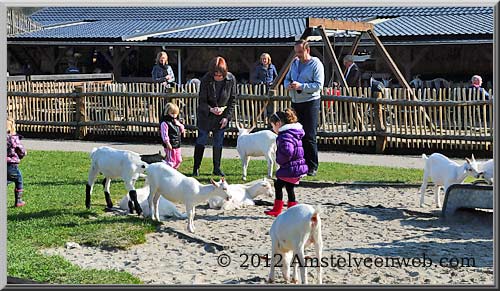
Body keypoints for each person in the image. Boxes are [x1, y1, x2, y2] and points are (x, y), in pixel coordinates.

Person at [284, 39, 324, 176]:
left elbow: (318, 85)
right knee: (296, 135)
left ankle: (312, 166)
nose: (298, 55)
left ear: (308, 50)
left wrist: (301, 86)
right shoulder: (294, 63)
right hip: (296, 102)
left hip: (310, 102)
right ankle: (299, 163)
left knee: (309, 135)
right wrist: (287, 85)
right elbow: (287, 79)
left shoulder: (316, 64)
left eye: (300, 52)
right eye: (296, 52)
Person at [192, 56, 237, 177]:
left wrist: (226, 117)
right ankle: (196, 167)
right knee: (201, 140)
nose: (218, 77)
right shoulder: (206, 80)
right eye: (216, 75)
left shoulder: (231, 79)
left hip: (221, 118)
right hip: (206, 116)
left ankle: (216, 168)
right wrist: (211, 109)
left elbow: (232, 100)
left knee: (218, 142)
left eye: (220, 75)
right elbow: (201, 101)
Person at [264, 108, 308, 217]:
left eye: (273, 126)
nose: (273, 129)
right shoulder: (294, 132)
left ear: (278, 124)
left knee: (278, 185)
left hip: (290, 167)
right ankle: (291, 209)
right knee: (289, 187)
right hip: (296, 166)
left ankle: (277, 209)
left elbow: (288, 151)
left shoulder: (284, 135)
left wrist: (280, 160)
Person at [7, 117, 27, 207]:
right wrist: (22, 155)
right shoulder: (13, 138)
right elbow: (21, 150)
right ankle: (18, 201)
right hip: (12, 165)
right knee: (19, 180)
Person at [160, 102, 185, 170]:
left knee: (179, 160)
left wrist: (179, 125)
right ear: (167, 112)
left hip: (177, 144)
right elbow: (164, 134)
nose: (174, 115)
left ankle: (174, 170)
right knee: (171, 161)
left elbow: (182, 130)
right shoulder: (165, 123)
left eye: (175, 114)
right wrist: (167, 142)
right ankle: (168, 170)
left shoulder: (176, 122)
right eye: (172, 113)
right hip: (170, 144)